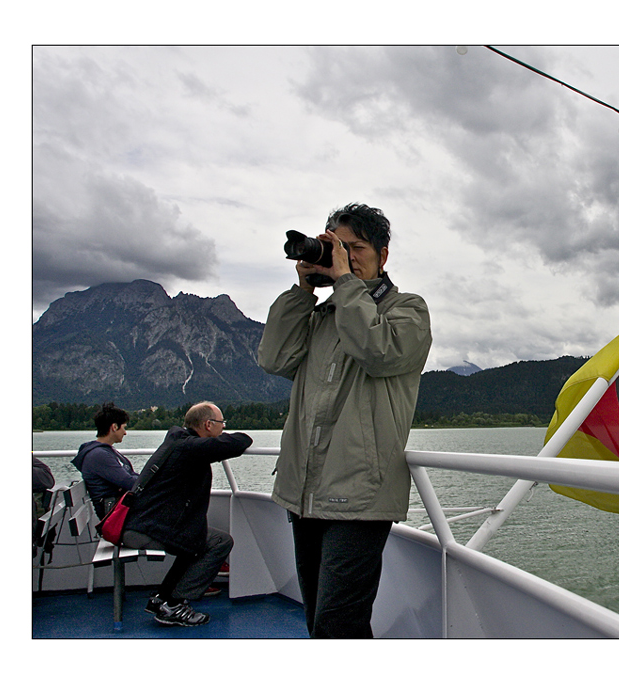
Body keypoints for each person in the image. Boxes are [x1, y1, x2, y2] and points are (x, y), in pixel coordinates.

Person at [258, 203, 431, 637]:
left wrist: (346, 284)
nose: (346, 257)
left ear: (383, 256)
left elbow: (379, 351)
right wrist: (302, 292)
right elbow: (273, 358)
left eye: (356, 248)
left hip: (358, 495)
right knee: (319, 617)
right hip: (305, 490)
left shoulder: (407, 309)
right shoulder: (320, 315)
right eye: (337, 247)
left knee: (339, 625)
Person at [122, 402, 252, 627]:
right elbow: (240, 441)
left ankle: (162, 599)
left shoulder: (178, 441)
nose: (223, 428)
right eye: (222, 424)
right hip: (148, 527)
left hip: (146, 522)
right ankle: (173, 604)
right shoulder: (190, 448)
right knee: (217, 542)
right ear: (208, 425)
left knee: (194, 539)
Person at [72, 402, 139, 519]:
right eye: (124, 428)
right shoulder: (98, 456)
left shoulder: (107, 452)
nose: (125, 432)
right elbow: (129, 482)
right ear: (114, 427)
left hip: (122, 510)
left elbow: (131, 476)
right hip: (115, 519)